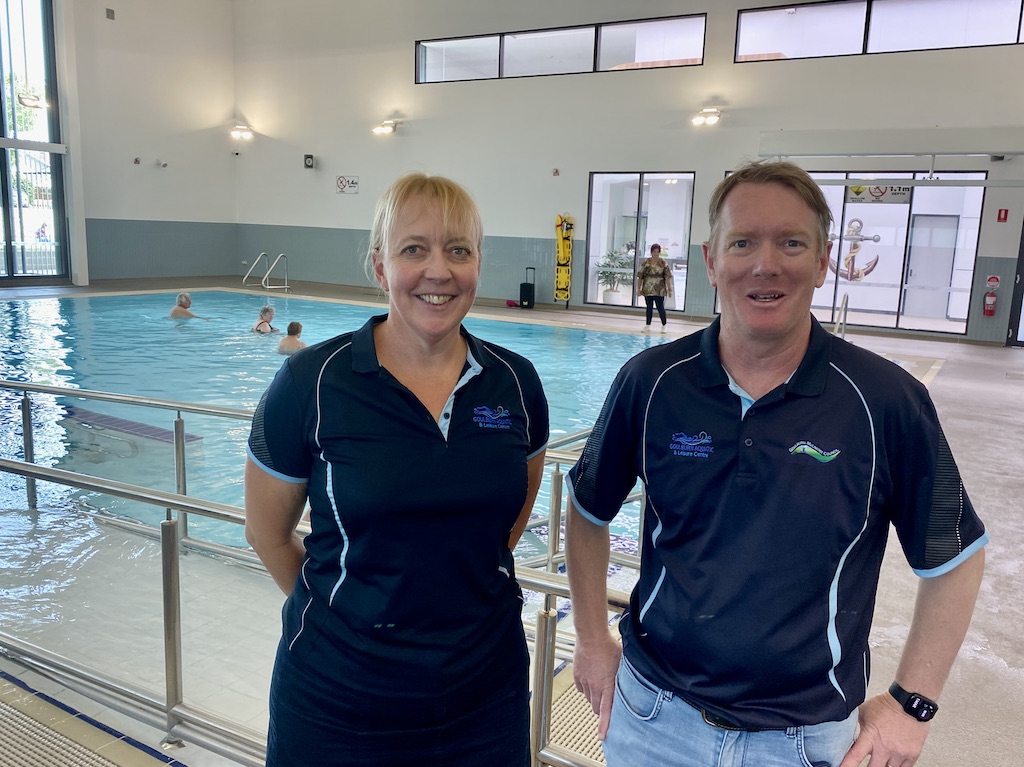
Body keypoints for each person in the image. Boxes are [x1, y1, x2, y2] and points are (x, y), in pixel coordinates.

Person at [565, 159, 987, 767]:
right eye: (743, 242)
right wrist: (590, 639)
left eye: (791, 242)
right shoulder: (652, 383)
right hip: (653, 720)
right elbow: (586, 510)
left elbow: (955, 556)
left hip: (805, 741)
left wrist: (911, 704)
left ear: (822, 260)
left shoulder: (884, 400)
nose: (766, 264)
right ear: (712, 261)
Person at [244, 172, 549, 766]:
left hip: (484, 698)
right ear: (380, 267)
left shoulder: (515, 383)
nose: (439, 271)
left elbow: (505, 529)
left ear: (478, 264)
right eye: (415, 249)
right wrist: (350, 619)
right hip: (338, 702)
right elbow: (267, 533)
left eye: (458, 250)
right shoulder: (312, 382)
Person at [636, 243, 673, 332]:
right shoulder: (646, 263)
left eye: (657, 252)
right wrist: (638, 288)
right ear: (651, 252)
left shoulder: (663, 263)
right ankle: (648, 325)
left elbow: (667, 277)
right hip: (648, 288)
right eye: (654, 251)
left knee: (660, 307)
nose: (656, 254)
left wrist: (670, 289)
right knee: (649, 307)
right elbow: (640, 276)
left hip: (659, 289)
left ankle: (664, 325)